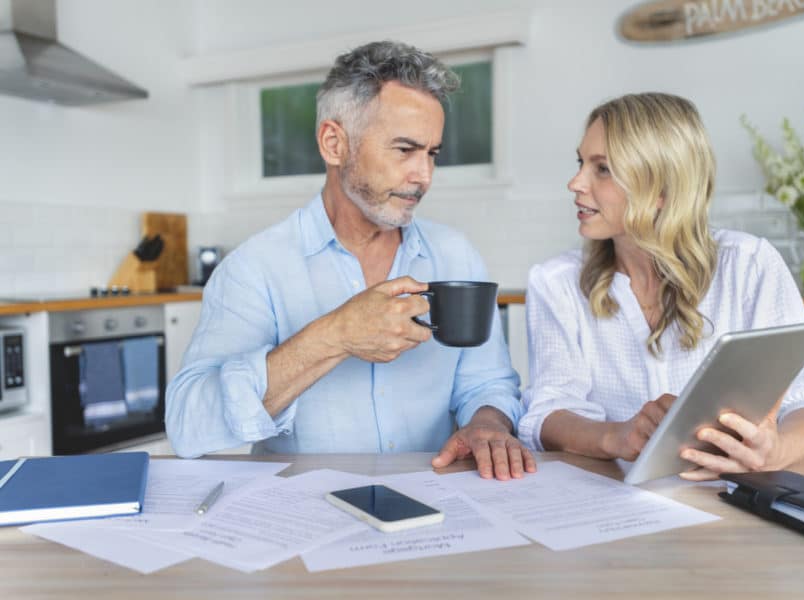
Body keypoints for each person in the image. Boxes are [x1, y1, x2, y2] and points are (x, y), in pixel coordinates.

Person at [166, 41, 535, 480]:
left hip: (435, 507)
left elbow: (488, 382)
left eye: (432, 153)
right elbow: (188, 426)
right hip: (305, 519)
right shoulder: (254, 268)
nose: (424, 176)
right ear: (334, 143)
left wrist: (486, 426)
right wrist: (335, 335)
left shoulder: (457, 257)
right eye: (404, 150)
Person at [517, 92, 804, 480]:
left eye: (603, 169)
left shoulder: (748, 265)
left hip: (729, 505)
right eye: (581, 163)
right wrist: (616, 436)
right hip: (612, 504)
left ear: (661, 189)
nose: (574, 182)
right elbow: (547, 412)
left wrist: (777, 450)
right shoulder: (555, 282)